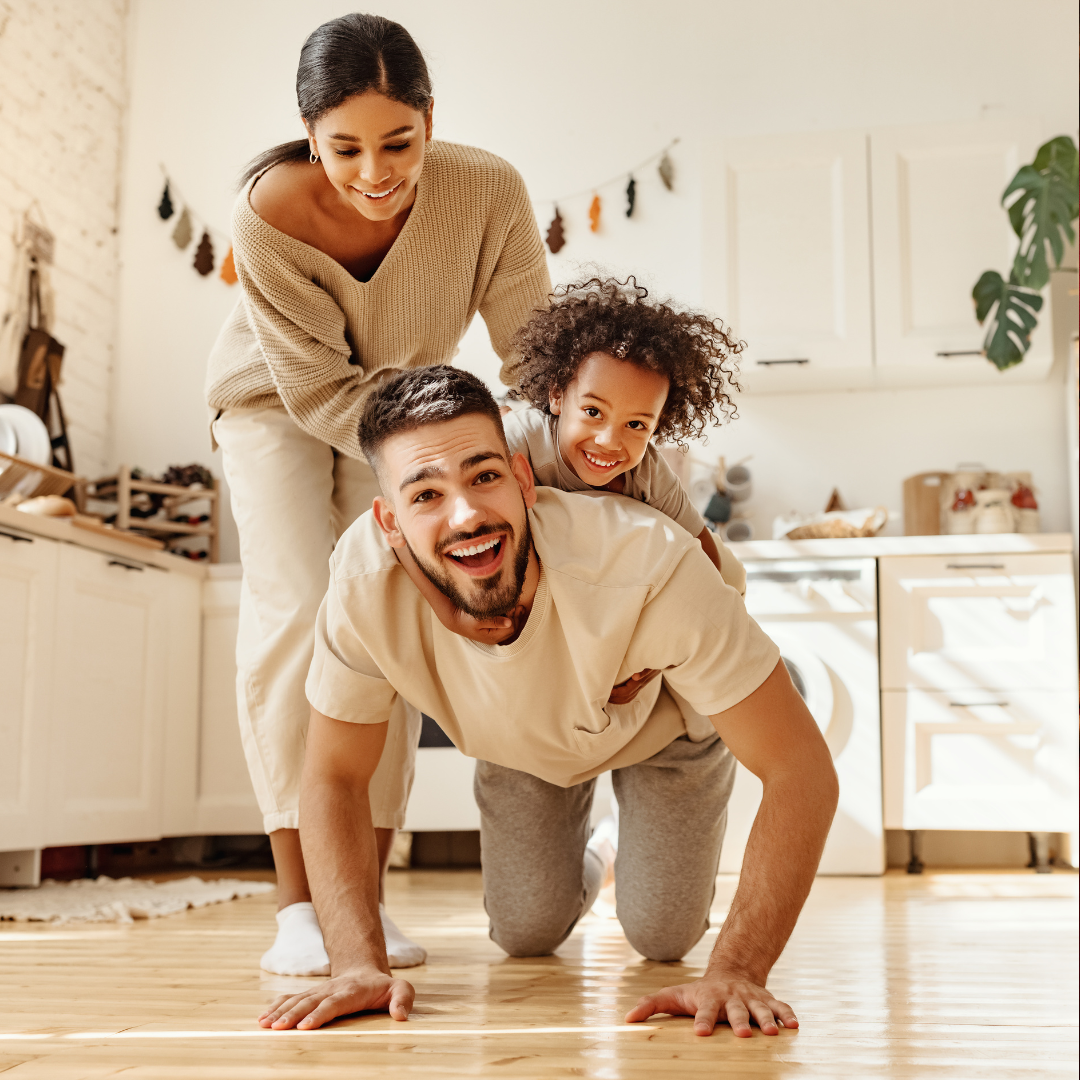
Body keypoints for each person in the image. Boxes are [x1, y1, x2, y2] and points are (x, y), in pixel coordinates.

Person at [258, 367, 839, 1036]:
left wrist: (739, 968)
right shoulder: (362, 588)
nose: (467, 515)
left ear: (523, 479)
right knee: (524, 931)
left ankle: (630, 836)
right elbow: (333, 775)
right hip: (521, 742)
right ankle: (604, 850)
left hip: (660, 730)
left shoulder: (650, 564)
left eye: (484, 477)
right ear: (389, 521)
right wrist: (356, 964)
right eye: (425, 495)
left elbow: (803, 772)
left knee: (661, 933)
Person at [204, 13, 550, 976]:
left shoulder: (489, 193)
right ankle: (298, 908)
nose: (375, 171)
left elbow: (533, 353)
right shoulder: (267, 212)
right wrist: (431, 452)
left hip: (397, 412)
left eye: (399, 142)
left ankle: (365, 890)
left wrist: (585, 441)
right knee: (294, 609)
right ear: (310, 135)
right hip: (274, 401)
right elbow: (314, 390)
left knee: (380, 621)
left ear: (432, 121)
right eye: (346, 147)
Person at [404, 276, 749, 655]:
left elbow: (704, 556)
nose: (609, 441)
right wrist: (450, 614)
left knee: (733, 575)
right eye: (592, 411)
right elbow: (411, 526)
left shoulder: (647, 471)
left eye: (636, 425)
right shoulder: (516, 442)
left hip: (606, 592)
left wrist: (663, 649)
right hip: (534, 585)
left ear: (658, 425)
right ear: (556, 395)